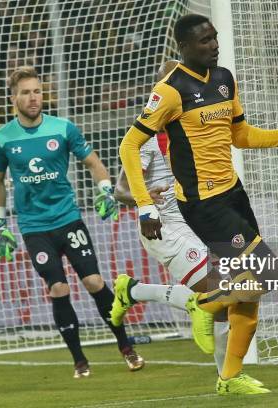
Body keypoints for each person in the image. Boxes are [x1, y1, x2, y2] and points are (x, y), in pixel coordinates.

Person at [119, 14, 278, 395]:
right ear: (184, 47)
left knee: (252, 290)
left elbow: (240, 135)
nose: (214, 44)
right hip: (202, 203)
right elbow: (130, 144)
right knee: (269, 271)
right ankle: (205, 306)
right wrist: (144, 205)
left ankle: (229, 378)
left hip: (233, 194)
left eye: (214, 37)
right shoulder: (170, 91)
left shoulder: (224, 79)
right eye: (205, 40)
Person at [0, 66, 143, 379]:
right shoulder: (2, 138)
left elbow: (93, 162)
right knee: (58, 288)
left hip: (69, 220)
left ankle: (126, 347)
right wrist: (0, 226)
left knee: (94, 282)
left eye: (37, 91)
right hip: (34, 227)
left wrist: (104, 191)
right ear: (13, 98)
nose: (33, 98)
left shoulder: (63, 128)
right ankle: (79, 360)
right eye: (26, 93)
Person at [112, 59, 232, 377]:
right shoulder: (148, 138)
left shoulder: (195, 130)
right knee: (213, 290)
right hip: (160, 226)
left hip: (190, 221)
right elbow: (120, 190)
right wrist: (146, 198)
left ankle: (132, 291)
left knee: (226, 293)